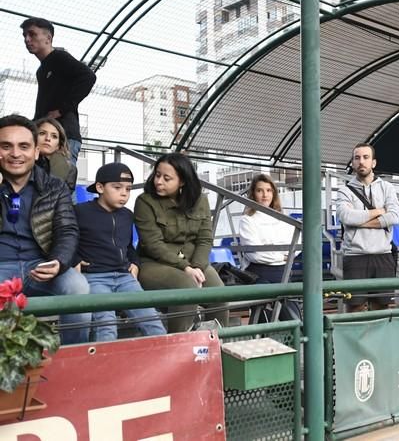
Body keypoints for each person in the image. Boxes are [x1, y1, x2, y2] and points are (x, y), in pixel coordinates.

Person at [0, 114, 90, 344]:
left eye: (24, 146)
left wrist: (59, 261)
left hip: (39, 265)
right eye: (6, 146)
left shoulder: (54, 186)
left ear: (36, 152)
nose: (16, 154)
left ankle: (72, 360)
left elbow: (68, 230)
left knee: (77, 287)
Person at [134, 153, 229, 332]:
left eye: (167, 178)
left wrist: (198, 267)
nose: (158, 181)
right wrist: (186, 268)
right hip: (154, 264)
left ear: (183, 181)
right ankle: (178, 345)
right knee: (186, 287)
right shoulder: (145, 202)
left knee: (219, 293)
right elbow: (153, 244)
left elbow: (205, 239)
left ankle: (216, 345)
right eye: (157, 175)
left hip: (194, 262)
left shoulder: (200, 200)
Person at [75, 162, 166, 341]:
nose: (124, 193)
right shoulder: (80, 211)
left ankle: (165, 365)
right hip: (95, 277)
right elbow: (67, 240)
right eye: (117, 187)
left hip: (125, 277)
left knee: (153, 322)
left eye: (128, 188)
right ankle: (104, 368)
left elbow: (129, 247)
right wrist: (74, 259)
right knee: (106, 325)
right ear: (100, 187)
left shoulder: (127, 215)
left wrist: (136, 264)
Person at [21, 17, 96, 165]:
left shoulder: (60, 57)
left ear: (48, 38)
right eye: (25, 36)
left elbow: (88, 76)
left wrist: (62, 109)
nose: (27, 39)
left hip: (64, 135)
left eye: (32, 34)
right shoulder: (42, 70)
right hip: (45, 135)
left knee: (60, 184)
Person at [336, 143, 399, 312]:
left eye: (366, 157)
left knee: (382, 308)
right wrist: (379, 212)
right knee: (354, 309)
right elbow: (346, 217)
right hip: (355, 256)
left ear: (374, 163)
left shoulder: (387, 188)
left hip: (383, 255)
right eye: (357, 158)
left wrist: (359, 222)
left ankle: (379, 339)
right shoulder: (345, 190)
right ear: (353, 162)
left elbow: (393, 216)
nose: (361, 161)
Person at [239, 174, 300, 283]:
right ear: (253, 193)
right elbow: (255, 255)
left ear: (273, 193)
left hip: (283, 270)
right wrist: (282, 257)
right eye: (259, 190)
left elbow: (297, 242)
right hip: (258, 272)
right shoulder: (247, 220)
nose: (265, 195)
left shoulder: (284, 218)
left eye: (268, 190)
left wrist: (277, 252)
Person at [34, 117, 77, 191]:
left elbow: (62, 198)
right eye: (42, 133)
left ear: (58, 145)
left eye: (54, 136)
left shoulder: (70, 169)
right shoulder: (22, 161)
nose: (48, 138)